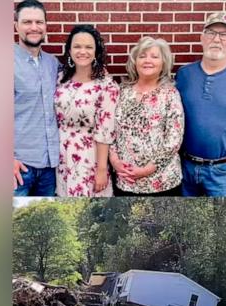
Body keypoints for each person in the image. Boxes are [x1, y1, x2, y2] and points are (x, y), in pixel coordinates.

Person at [110, 37, 184, 196]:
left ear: (163, 63)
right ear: (134, 61)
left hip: (162, 182)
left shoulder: (170, 94)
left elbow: (174, 140)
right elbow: (110, 130)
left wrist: (146, 170)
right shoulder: (122, 91)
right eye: (142, 56)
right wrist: (115, 161)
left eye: (154, 56)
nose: (147, 60)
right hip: (126, 182)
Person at [176, 12, 226, 197]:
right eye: (211, 32)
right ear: (202, 37)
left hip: (223, 171)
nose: (217, 39)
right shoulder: (184, 74)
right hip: (185, 167)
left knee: (222, 223)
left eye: (224, 34)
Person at [55, 25, 119, 197]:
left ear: (96, 51)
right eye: (77, 46)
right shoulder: (60, 78)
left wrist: (101, 170)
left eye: (88, 47)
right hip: (61, 158)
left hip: (89, 159)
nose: (82, 51)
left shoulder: (106, 85)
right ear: (69, 50)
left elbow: (105, 132)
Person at [13, 0, 60, 196]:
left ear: (45, 26)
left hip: (50, 166)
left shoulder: (52, 63)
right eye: (27, 22)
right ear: (16, 25)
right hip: (18, 167)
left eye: (39, 22)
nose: (34, 27)